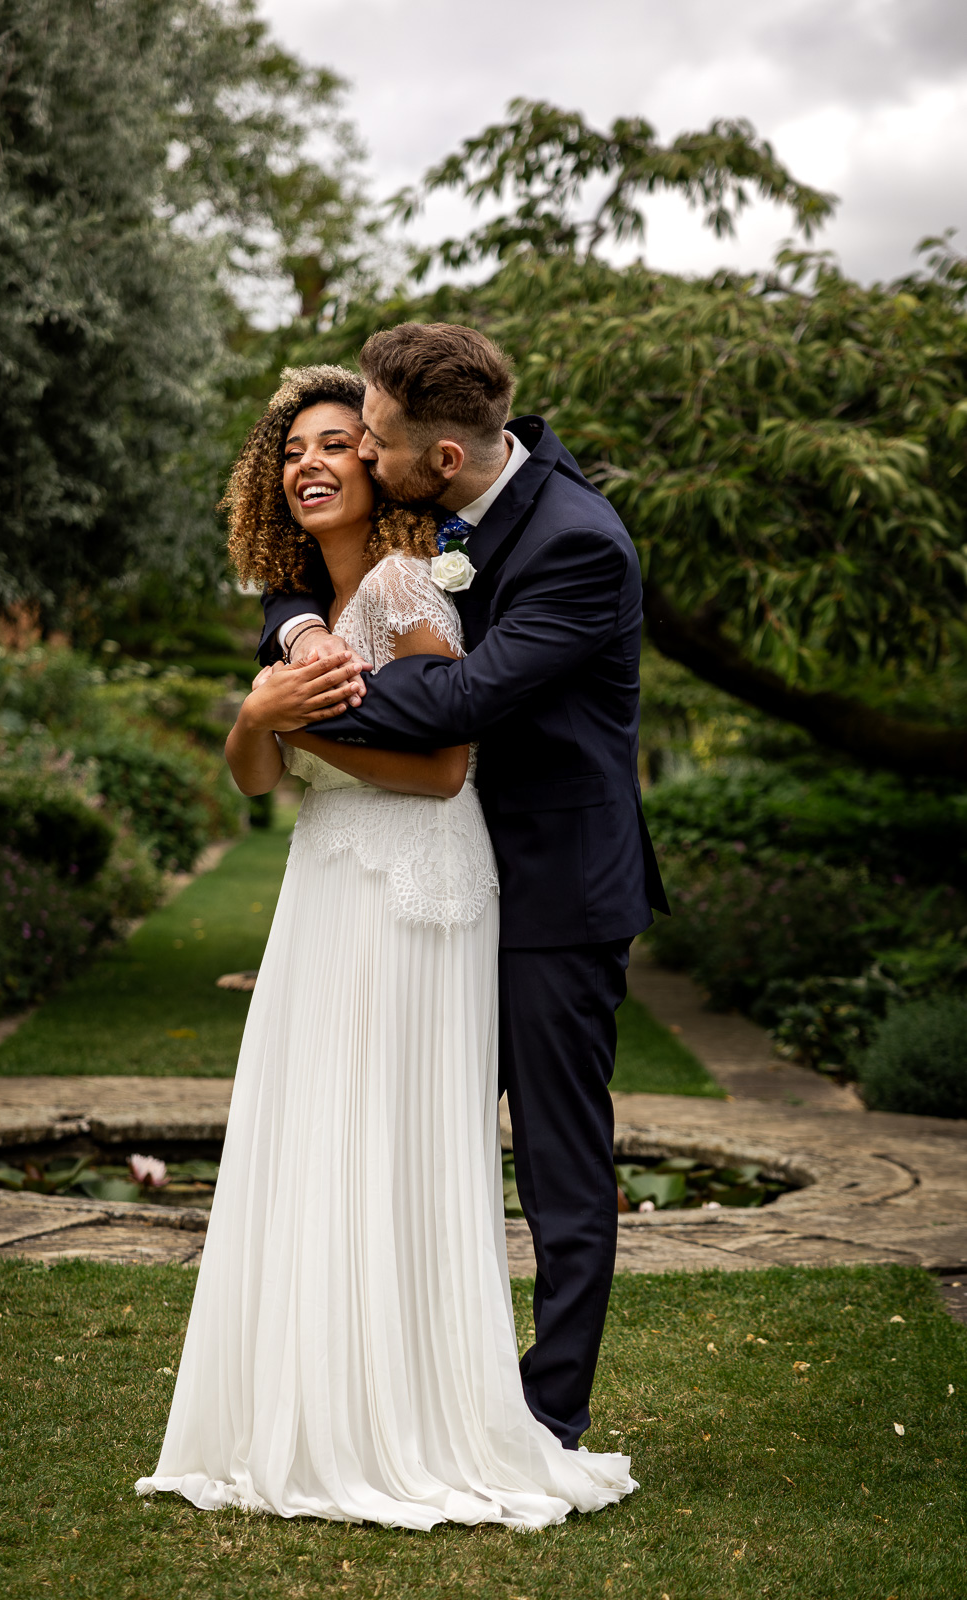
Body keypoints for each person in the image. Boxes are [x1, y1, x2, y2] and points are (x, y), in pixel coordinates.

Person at [136, 364, 637, 1528]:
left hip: (515, 876)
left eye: (347, 437)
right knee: (322, 1127)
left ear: (404, 460)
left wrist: (301, 708)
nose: (323, 456)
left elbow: (453, 736)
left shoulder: (541, 543)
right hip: (338, 882)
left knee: (516, 1158)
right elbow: (265, 758)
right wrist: (267, 707)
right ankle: (324, 1395)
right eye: (298, 447)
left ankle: (526, 1417)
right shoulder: (330, 584)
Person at [261, 325, 668, 1452]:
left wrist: (285, 706)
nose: (365, 459)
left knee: (557, 1167)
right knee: (407, 1137)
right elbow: (321, 573)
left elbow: (452, 706)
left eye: (376, 440)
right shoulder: (461, 501)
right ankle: (401, 1387)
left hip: (551, 897)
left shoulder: (578, 543)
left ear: (441, 456)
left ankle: (549, 1413)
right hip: (448, 886)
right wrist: (296, 632)